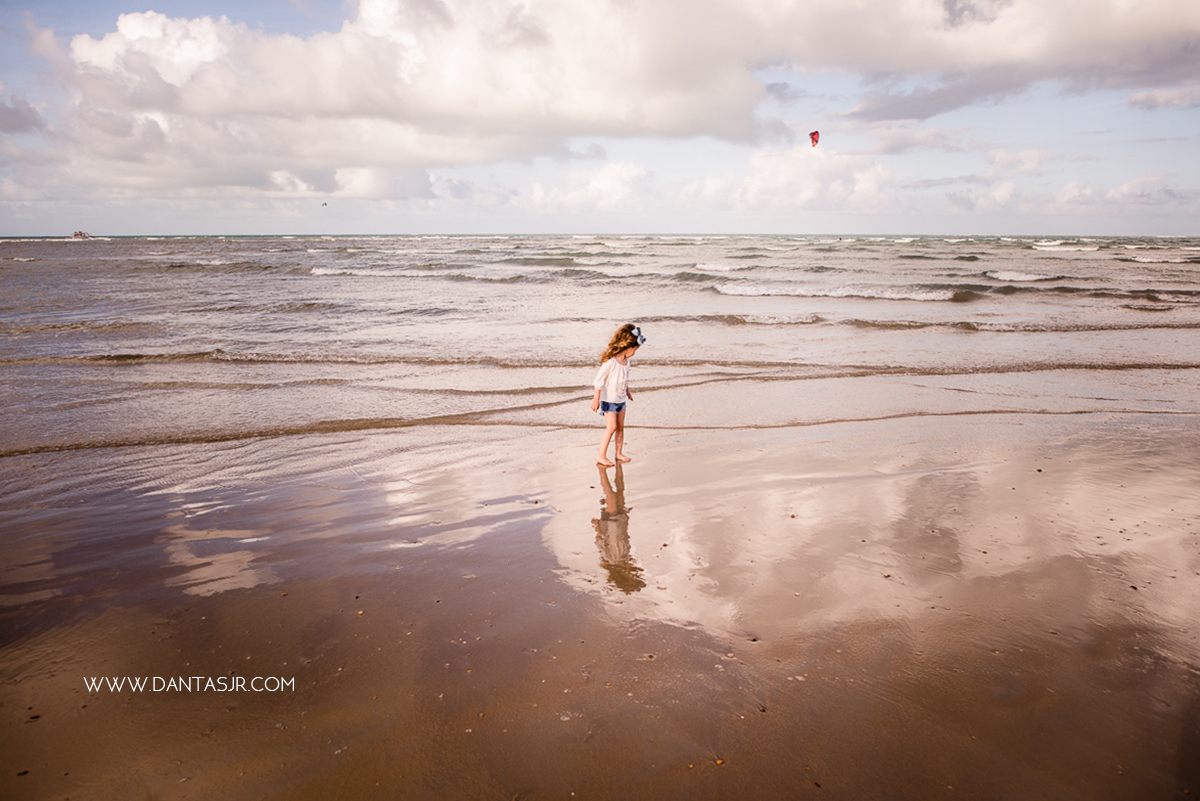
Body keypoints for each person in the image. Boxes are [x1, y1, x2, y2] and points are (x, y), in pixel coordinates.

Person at [590, 323, 645, 466]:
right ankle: (601, 455)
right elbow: (598, 382)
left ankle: (618, 453)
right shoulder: (610, 362)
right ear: (627, 346)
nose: (635, 352)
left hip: (621, 400)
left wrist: (627, 391)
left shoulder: (627, 361)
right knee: (612, 427)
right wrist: (596, 399)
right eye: (635, 349)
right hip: (608, 400)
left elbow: (623, 379)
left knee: (620, 427)